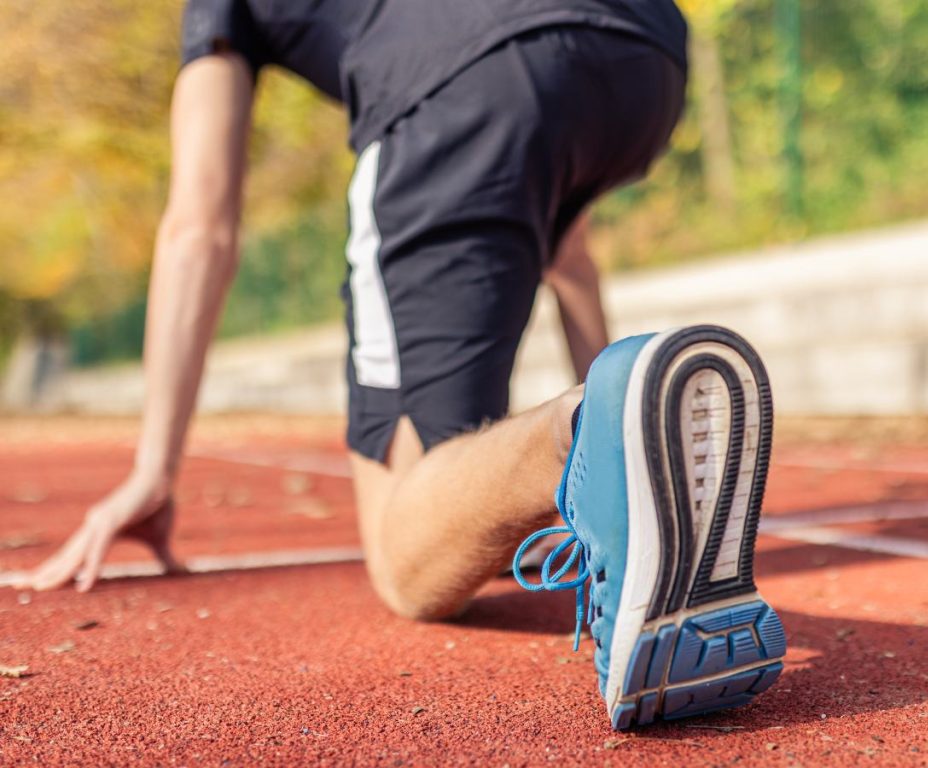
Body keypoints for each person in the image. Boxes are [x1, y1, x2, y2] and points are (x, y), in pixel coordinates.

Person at [18, 0, 786, 729]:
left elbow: (200, 226)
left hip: (460, 83)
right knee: (495, 468)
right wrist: (649, 461)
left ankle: (587, 428)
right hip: (643, 56)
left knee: (408, 555)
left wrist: (154, 469)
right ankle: (627, 433)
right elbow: (571, 256)